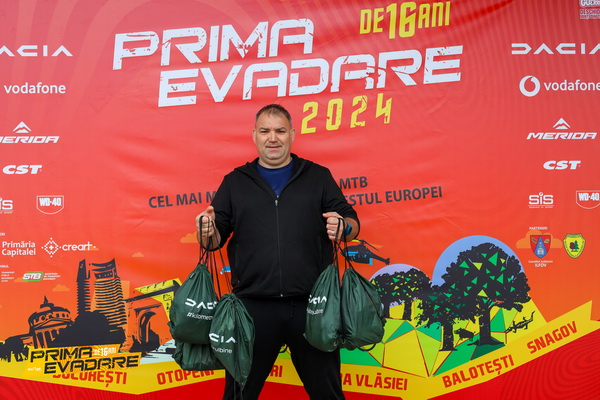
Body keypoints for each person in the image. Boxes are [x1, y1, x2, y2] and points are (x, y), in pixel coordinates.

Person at [196, 103, 359, 400]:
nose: (273, 138)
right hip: (253, 306)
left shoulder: (318, 176)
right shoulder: (235, 181)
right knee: (238, 394)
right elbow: (213, 240)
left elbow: (351, 222)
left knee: (328, 393)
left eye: (280, 131)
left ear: (292, 134)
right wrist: (207, 230)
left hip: (313, 305)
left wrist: (343, 227)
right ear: (254, 136)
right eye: (265, 131)